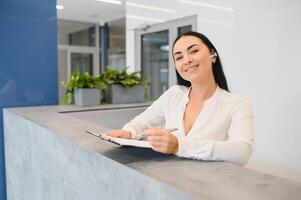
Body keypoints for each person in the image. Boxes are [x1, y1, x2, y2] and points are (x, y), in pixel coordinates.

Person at [106, 31, 254, 165]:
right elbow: (142, 122)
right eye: (179, 57)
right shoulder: (173, 95)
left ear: (212, 54)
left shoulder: (236, 104)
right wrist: (129, 132)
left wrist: (179, 146)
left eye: (194, 51)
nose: (186, 60)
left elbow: (241, 152)